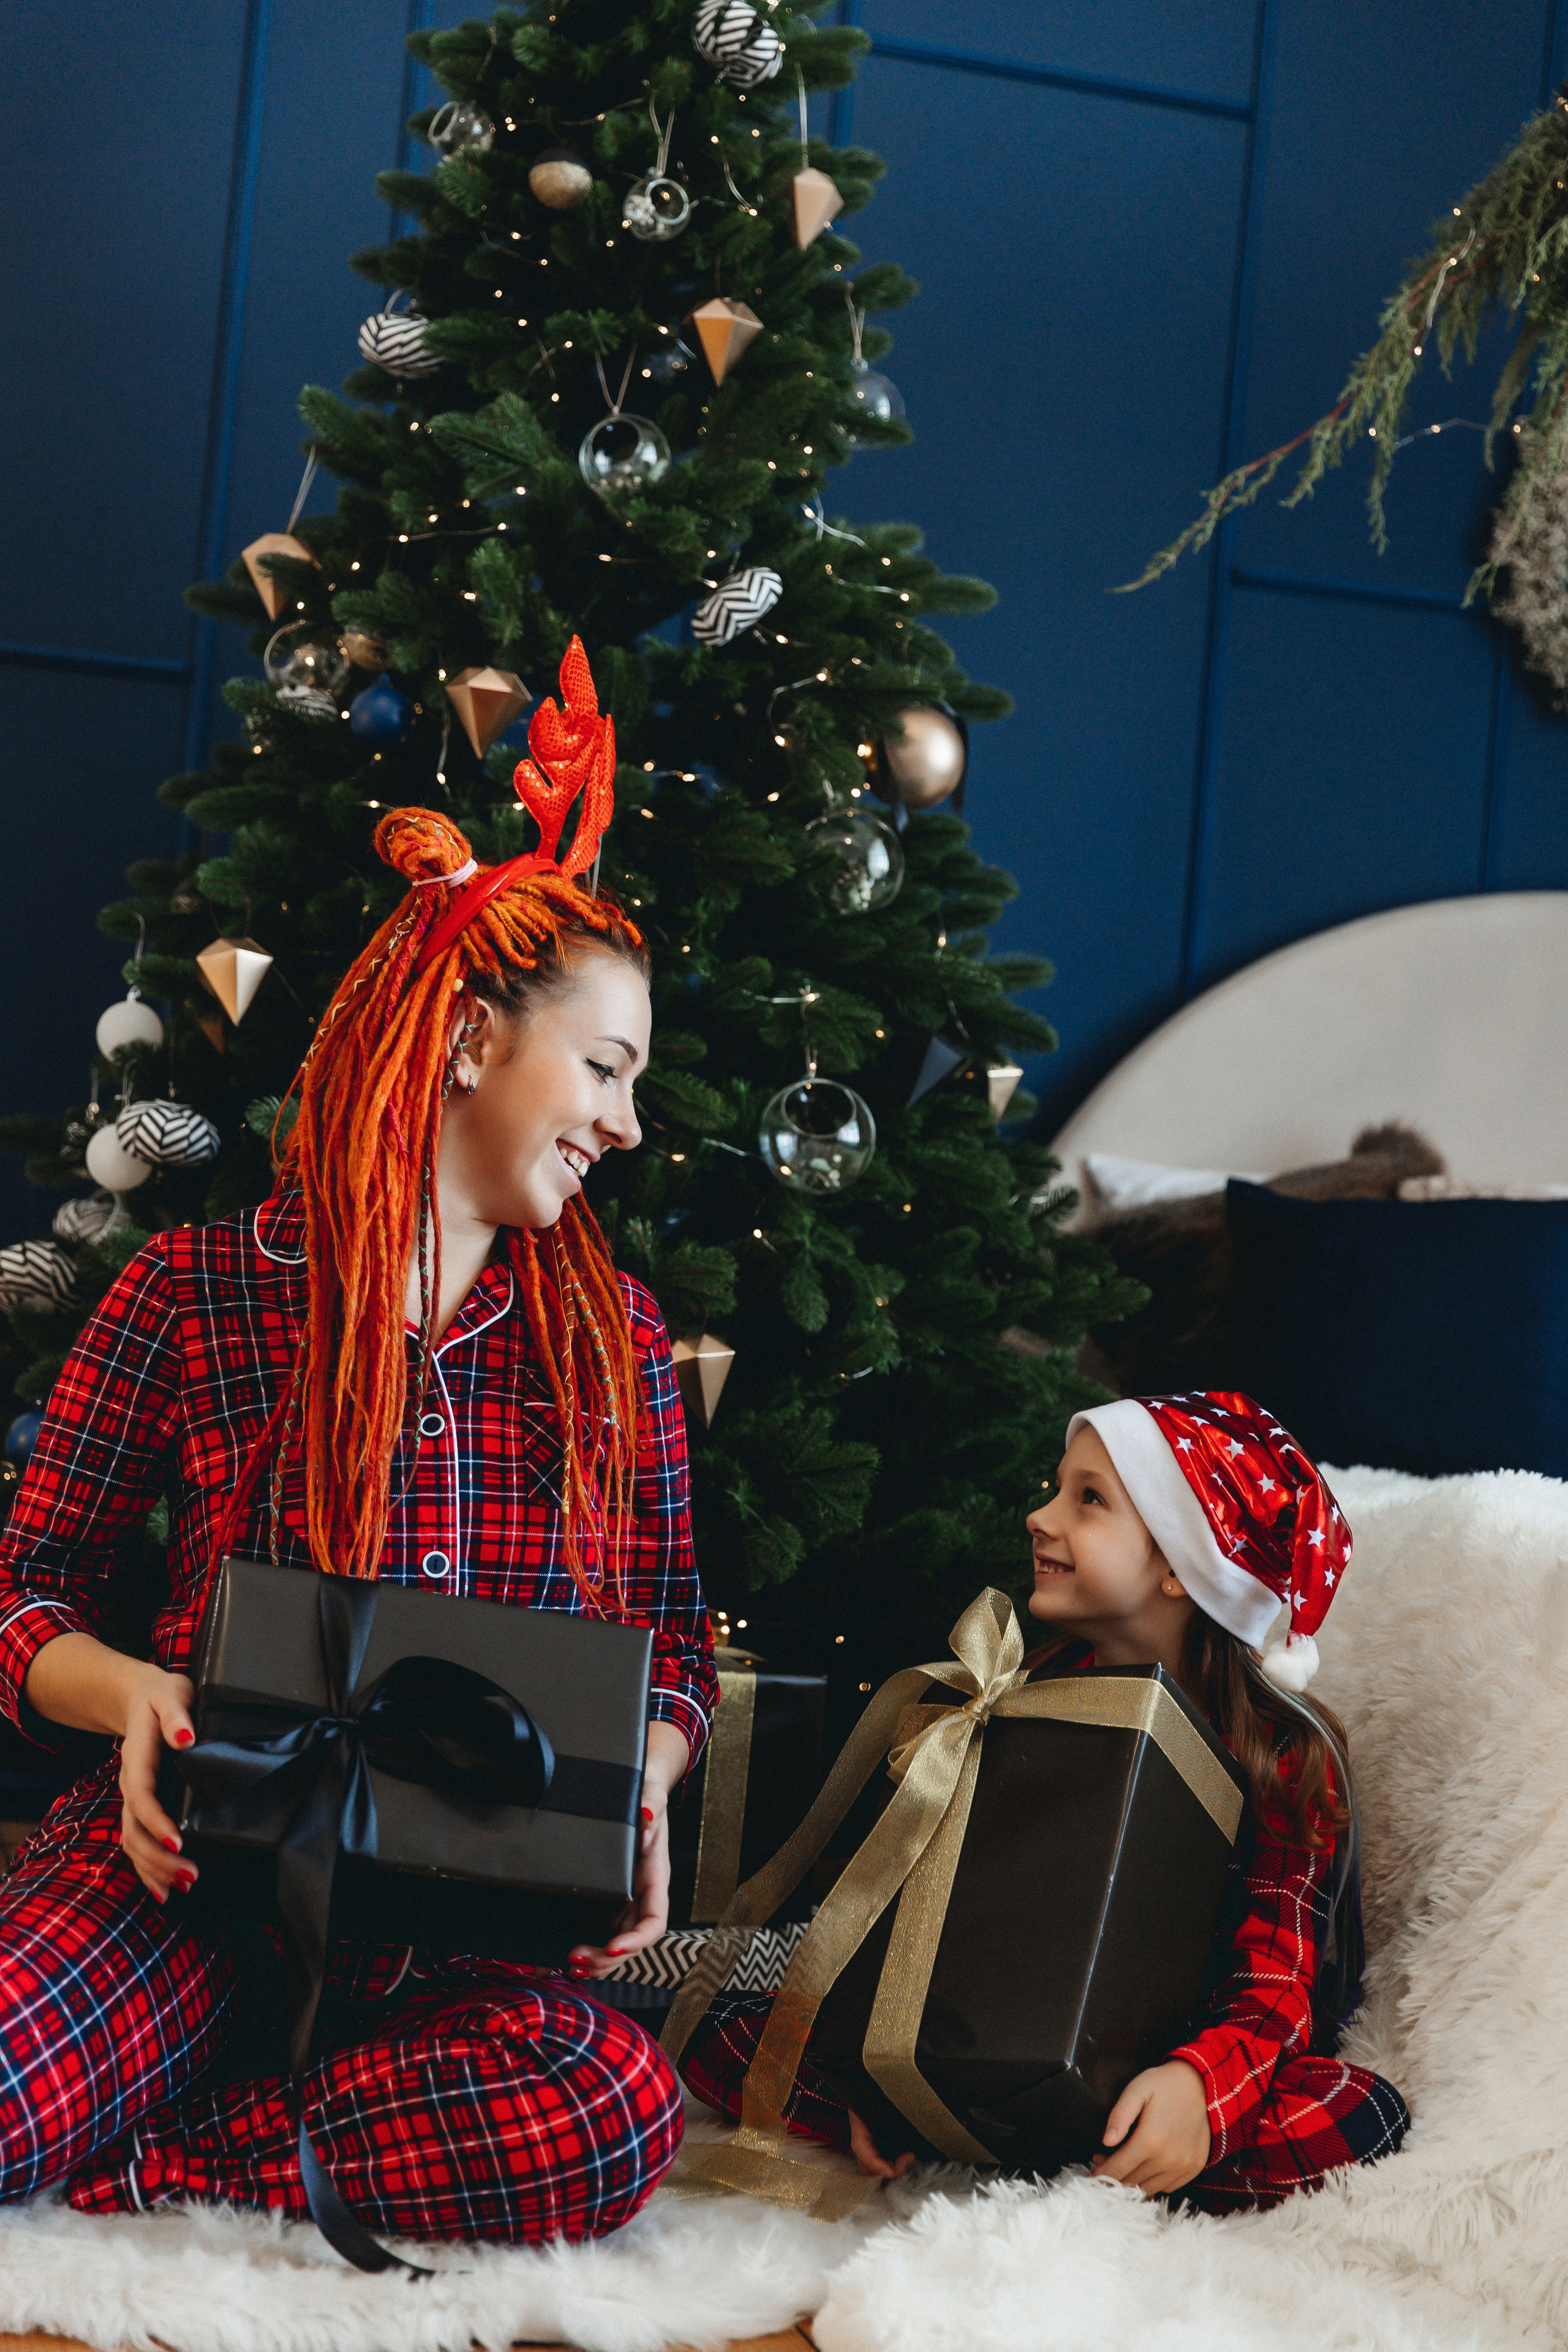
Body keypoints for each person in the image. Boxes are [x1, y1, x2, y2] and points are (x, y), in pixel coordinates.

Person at [0, 642, 718, 2244]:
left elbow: (673, 1637)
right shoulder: (197, 1292)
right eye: (604, 1068)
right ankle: (160, 2092)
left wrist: (647, 1784)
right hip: (183, 1881)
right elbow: (23, 1588)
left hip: (467, 1943)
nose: (625, 1123)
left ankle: (164, 2162)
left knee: (610, 2118)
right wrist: (131, 1694)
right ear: (470, 1039)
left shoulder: (619, 1351)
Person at [679, 1392, 1410, 2212]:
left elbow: (1279, 1983)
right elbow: (925, 1912)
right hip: (989, 2039)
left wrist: (1201, 2091)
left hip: (1160, 2063)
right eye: (1055, 1488)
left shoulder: (1280, 1753)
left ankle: (1097, 2142)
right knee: (731, 2029)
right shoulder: (1020, 1696)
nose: (1039, 1516)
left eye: (1088, 1499)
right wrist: (874, 2071)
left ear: (1180, 1563)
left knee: (1359, 2117)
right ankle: (1009, 2132)